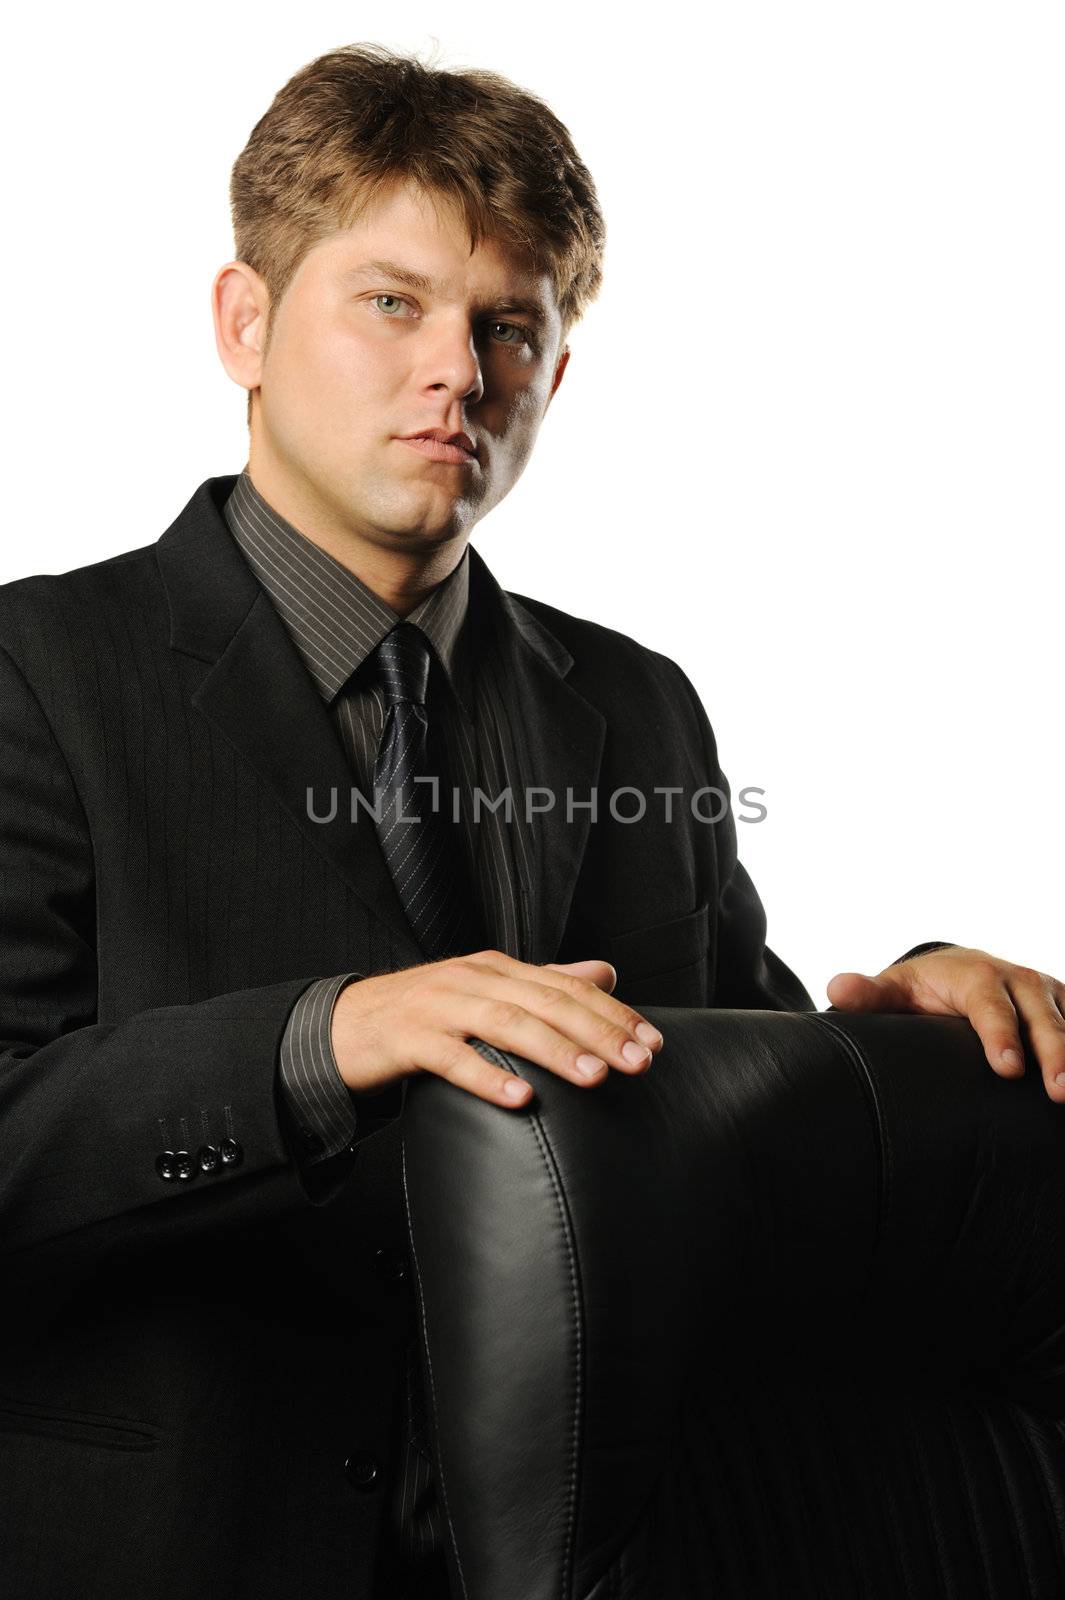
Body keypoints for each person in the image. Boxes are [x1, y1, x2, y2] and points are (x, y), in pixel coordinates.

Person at [0, 41, 1061, 1600]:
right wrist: (326, 1035)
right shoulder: (38, 672)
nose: (456, 370)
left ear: (553, 374)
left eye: (509, 325)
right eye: (391, 302)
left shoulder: (634, 707)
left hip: (591, 1557)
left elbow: (719, 1103)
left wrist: (896, 1021)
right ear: (243, 322)